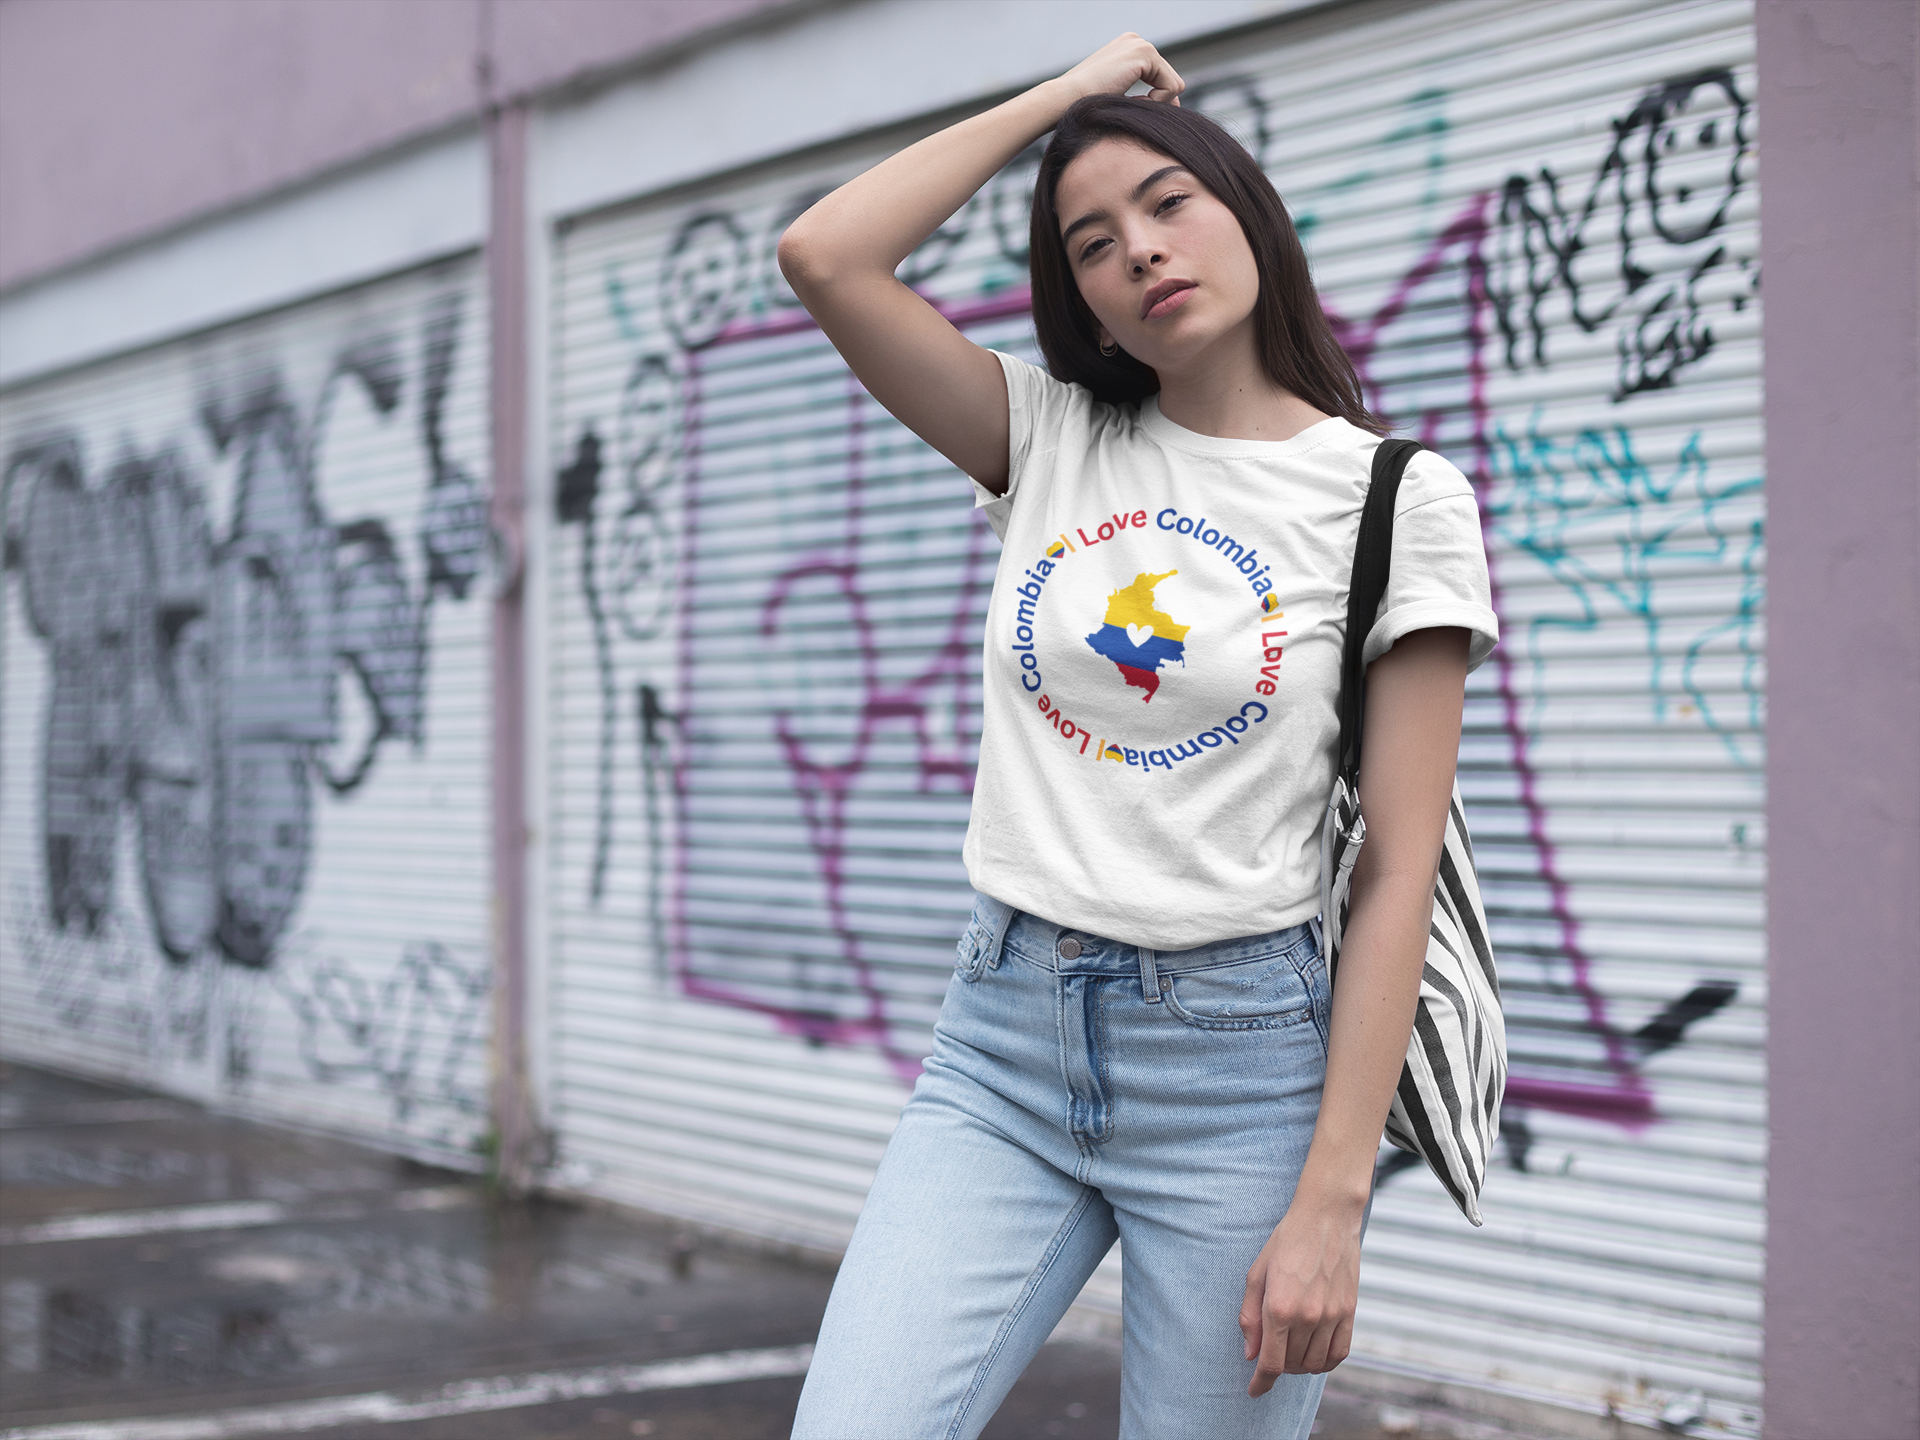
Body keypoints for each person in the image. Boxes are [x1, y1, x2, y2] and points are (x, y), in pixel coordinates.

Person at [777, 32, 1497, 1440]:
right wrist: (1069, 100)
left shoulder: (1394, 500)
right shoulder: (1046, 434)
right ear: (1085, 303)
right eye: (1093, 243)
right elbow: (825, 257)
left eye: (1169, 204)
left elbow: (1398, 865)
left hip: (1242, 1077)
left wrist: (1332, 1203)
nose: (1141, 253)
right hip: (1003, 1044)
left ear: (1249, 216)